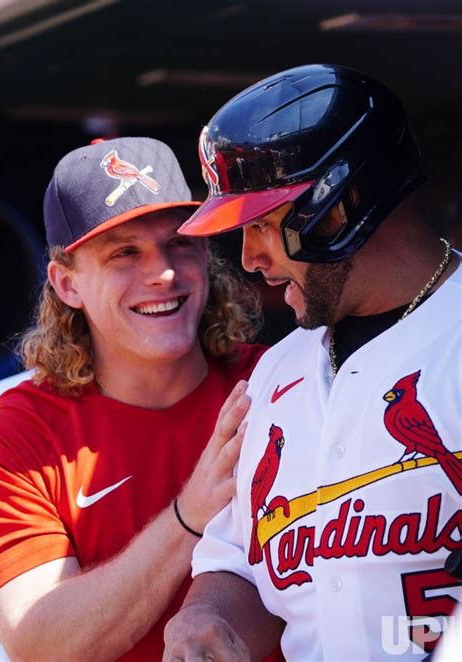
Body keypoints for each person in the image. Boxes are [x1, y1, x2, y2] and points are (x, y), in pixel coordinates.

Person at [162, 64, 462, 661]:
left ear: (340, 206)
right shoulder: (277, 372)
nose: (249, 258)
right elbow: (240, 562)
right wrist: (206, 615)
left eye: (264, 225)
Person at [0, 136, 269, 661]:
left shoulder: (276, 381)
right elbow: (44, 644)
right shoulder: (15, 427)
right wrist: (190, 513)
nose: (162, 271)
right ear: (66, 284)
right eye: (125, 252)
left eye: (180, 242)